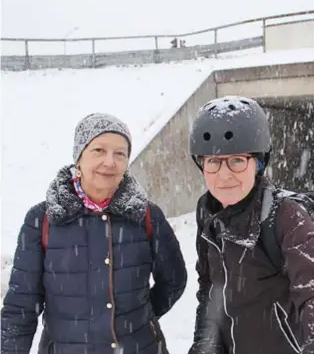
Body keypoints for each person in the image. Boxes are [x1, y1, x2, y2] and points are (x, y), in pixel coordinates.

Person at [1, 113, 187, 354]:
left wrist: (140, 318)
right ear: (78, 159)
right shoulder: (42, 219)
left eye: (120, 153)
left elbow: (173, 280)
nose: (109, 162)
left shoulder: (147, 215)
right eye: (98, 150)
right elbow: (21, 307)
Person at [187, 96, 314, 354]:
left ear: (259, 163)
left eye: (237, 160)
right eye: (213, 161)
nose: (224, 174)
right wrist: (205, 345)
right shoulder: (208, 214)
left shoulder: (286, 214)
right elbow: (210, 289)